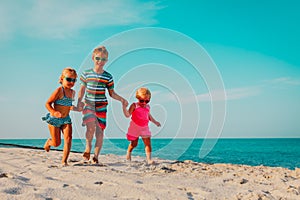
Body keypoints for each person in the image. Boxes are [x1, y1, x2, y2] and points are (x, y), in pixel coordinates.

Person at [77, 46, 128, 164]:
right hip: (88, 104)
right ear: (93, 58)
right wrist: (79, 101)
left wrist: (121, 99)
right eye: (98, 58)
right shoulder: (86, 74)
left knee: (100, 131)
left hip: (101, 106)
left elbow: (111, 93)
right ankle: (87, 148)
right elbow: (82, 89)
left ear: (107, 60)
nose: (100, 61)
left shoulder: (108, 76)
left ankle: (96, 156)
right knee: (90, 129)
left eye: (103, 59)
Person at [42, 67, 82, 166]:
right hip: (55, 119)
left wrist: (78, 108)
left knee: (68, 138)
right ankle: (49, 142)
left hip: (66, 119)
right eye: (69, 79)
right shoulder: (59, 91)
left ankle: (64, 161)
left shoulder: (73, 93)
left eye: (74, 80)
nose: (71, 82)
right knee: (57, 143)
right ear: (62, 79)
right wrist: (53, 112)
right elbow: (47, 103)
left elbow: (69, 106)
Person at [122, 87, 161, 164]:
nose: (144, 103)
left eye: (147, 101)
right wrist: (124, 107)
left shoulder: (147, 107)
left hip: (144, 128)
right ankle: (128, 153)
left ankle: (149, 159)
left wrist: (155, 122)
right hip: (134, 127)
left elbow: (148, 116)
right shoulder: (134, 105)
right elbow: (127, 115)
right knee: (134, 144)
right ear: (137, 98)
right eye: (141, 100)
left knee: (148, 143)